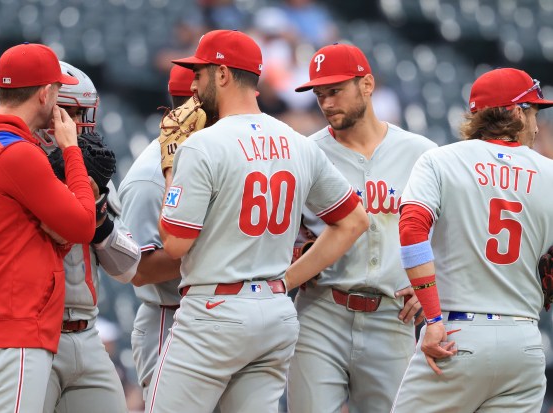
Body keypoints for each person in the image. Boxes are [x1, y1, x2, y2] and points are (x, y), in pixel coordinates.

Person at [146, 29, 369, 413]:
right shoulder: (298, 142)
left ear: (222, 74)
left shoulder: (202, 144)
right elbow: (353, 221)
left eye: (199, 73)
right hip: (274, 312)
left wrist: (171, 161)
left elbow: (174, 243)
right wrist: (287, 281)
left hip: (215, 310)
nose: (194, 85)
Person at [0, 61, 140, 413]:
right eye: (72, 112)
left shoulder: (93, 177)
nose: (79, 125)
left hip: (83, 333)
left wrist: (100, 219)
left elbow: (127, 268)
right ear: (49, 104)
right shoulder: (1, 167)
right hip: (27, 336)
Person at [391, 67, 553, 412]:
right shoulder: (550, 174)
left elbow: (411, 229)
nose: (537, 125)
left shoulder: (441, 160)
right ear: (513, 112)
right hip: (524, 344)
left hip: (457, 334)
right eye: (533, 112)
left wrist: (432, 313)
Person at [287, 43, 435, 413]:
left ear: (367, 85)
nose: (326, 102)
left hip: (392, 317)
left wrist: (438, 284)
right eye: (320, 94)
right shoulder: (307, 153)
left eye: (335, 90)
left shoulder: (421, 153)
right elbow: (279, 232)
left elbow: (459, 231)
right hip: (321, 312)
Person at [118, 64, 195, 403]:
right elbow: (141, 269)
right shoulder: (149, 176)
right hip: (170, 318)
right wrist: (225, 252)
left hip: (224, 314)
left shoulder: (219, 157)